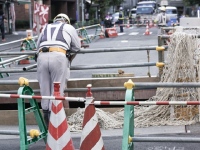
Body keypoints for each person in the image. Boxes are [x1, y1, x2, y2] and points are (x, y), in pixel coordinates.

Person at [36, 13, 81, 128]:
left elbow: (37, 47)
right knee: (57, 89)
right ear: (66, 21)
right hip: (59, 56)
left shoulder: (45, 27)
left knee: (45, 91)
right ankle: (55, 125)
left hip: (42, 56)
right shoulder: (69, 27)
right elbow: (77, 47)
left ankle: (46, 122)